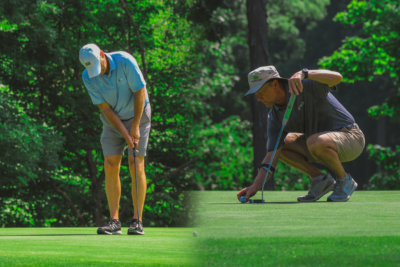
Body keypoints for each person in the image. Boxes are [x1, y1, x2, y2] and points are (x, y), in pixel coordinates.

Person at [237, 66, 365, 202]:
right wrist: (255, 186)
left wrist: (305, 73)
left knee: (315, 141)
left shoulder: (305, 85)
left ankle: (344, 180)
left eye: (260, 92)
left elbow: (337, 77)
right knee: (278, 145)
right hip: (317, 144)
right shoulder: (274, 118)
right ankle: (320, 180)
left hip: (351, 137)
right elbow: (271, 156)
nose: (258, 98)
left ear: (275, 84)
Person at [79, 44, 151, 235]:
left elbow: (140, 92)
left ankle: (137, 220)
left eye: (98, 66)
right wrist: (125, 134)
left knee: (135, 163)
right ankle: (114, 222)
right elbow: (105, 109)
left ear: (103, 55)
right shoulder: (88, 76)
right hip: (113, 120)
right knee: (110, 164)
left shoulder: (125, 61)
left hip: (138, 115)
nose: (97, 73)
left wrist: (134, 127)